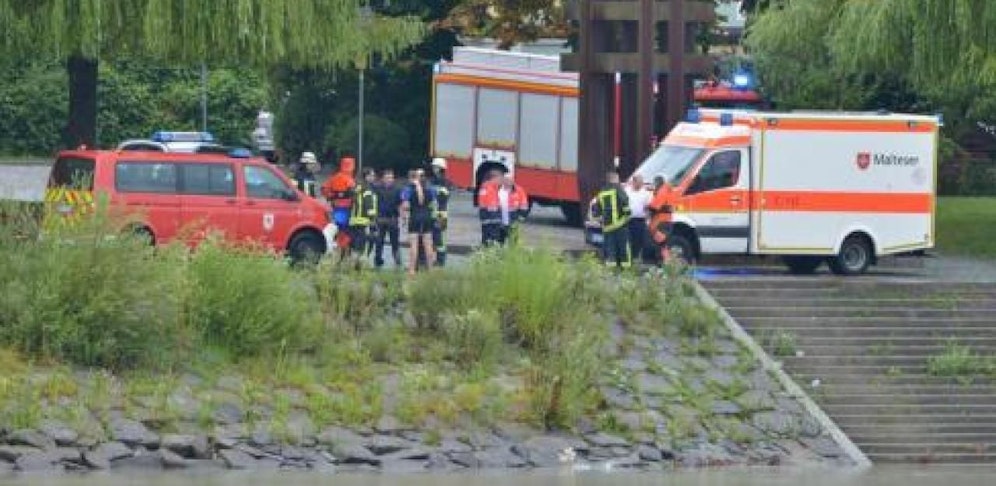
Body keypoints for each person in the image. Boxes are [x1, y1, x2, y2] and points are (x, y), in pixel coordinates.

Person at [592, 170, 632, 268]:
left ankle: (611, 269)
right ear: (615, 179)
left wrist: (598, 218)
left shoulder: (602, 191)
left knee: (610, 249)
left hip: (607, 227)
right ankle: (625, 269)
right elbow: (624, 201)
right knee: (623, 248)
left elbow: (596, 209)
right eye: (618, 178)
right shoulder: (618, 189)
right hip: (620, 224)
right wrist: (628, 214)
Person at [401, 169, 436, 275]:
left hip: (415, 217)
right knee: (428, 245)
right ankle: (431, 270)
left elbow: (406, 206)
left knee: (414, 245)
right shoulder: (430, 189)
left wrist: (404, 216)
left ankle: (411, 270)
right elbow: (433, 203)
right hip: (427, 217)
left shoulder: (409, 189)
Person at [321, 157, 357, 259]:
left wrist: (331, 197)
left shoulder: (334, 178)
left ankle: (340, 252)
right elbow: (354, 193)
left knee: (339, 230)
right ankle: (343, 254)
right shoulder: (350, 179)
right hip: (347, 209)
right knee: (346, 232)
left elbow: (323, 189)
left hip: (336, 208)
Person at [373, 169, 403, 268]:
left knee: (395, 242)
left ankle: (397, 261)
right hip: (380, 218)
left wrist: (402, 218)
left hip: (393, 218)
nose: (390, 179)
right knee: (379, 241)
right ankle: (377, 260)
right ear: (383, 178)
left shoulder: (397, 189)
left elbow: (401, 204)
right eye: (387, 177)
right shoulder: (377, 188)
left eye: (391, 178)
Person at [347, 168, 378, 263]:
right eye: (372, 175)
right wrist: (373, 220)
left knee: (354, 245)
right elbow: (369, 206)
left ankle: (351, 263)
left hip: (353, 221)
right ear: (366, 176)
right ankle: (358, 265)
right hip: (364, 221)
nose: (373, 177)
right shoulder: (367, 189)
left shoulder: (357, 187)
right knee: (361, 246)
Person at [647, 176, 676, 264]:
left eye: (655, 183)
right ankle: (667, 265)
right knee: (664, 245)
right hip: (666, 221)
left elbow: (655, 206)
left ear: (658, 182)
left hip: (661, 222)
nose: (654, 185)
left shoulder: (662, 190)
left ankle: (661, 265)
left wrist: (647, 207)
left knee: (659, 244)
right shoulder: (668, 189)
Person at [429, 158, 452, 266]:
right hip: (432, 212)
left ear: (441, 168)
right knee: (434, 236)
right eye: (433, 167)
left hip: (441, 214)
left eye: (436, 167)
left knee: (440, 237)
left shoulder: (446, 182)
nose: (434, 169)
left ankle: (441, 260)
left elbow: (444, 196)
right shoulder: (432, 181)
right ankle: (435, 259)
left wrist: (436, 191)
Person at [625, 174, 653, 263]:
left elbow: (649, 207)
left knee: (638, 242)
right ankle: (628, 260)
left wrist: (648, 217)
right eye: (639, 183)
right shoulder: (626, 191)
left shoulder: (646, 193)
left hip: (640, 221)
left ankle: (635, 259)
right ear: (634, 182)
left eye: (642, 183)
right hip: (627, 220)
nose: (641, 184)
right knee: (628, 241)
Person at [498, 175, 529, 246]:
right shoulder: (498, 190)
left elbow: (524, 205)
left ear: (512, 181)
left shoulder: (519, 190)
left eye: (509, 180)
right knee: (499, 241)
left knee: (513, 241)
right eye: (506, 180)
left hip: (513, 219)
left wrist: (522, 216)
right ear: (503, 181)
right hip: (500, 219)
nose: (507, 182)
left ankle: (512, 252)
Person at [477, 170, 504, 246]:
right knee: (488, 236)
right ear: (494, 178)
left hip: (493, 217)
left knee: (493, 236)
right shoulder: (487, 187)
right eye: (500, 179)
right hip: (489, 216)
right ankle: (487, 249)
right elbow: (484, 204)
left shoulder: (494, 188)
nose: (501, 181)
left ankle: (490, 249)